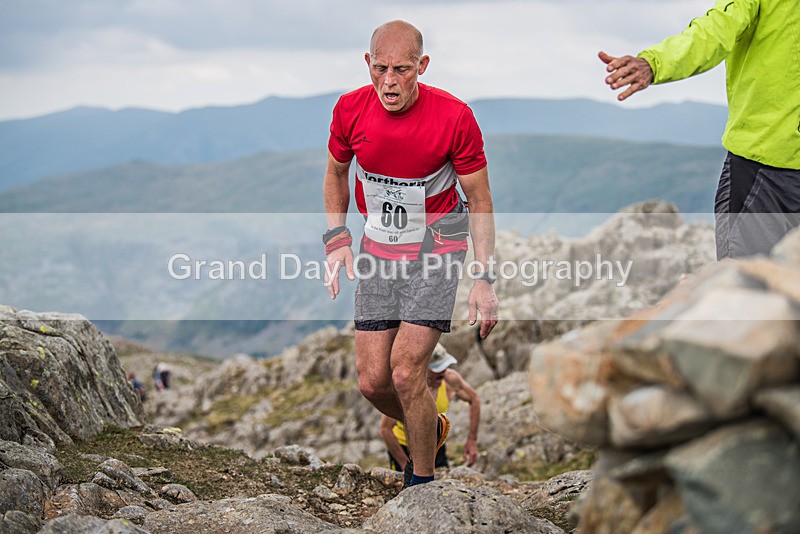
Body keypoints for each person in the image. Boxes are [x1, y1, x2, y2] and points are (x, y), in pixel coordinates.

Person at [323, 20, 499, 488]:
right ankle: (428, 425)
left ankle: (421, 482)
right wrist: (337, 238)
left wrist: (483, 278)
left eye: (401, 70)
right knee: (372, 382)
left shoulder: (454, 116)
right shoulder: (349, 110)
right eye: (380, 69)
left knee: (405, 373)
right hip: (378, 248)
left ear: (422, 66)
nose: (389, 81)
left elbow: (480, 200)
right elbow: (336, 174)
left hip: (439, 246)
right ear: (367, 63)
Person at [599, 0, 800, 259]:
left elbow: (715, 28)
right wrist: (655, 63)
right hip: (760, 173)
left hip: (761, 172)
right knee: (743, 279)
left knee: (743, 280)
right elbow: (715, 29)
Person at [380, 343, 480, 472]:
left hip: (436, 447)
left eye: (445, 366)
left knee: (441, 482)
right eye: (437, 369)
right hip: (405, 448)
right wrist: (404, 464)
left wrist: (472, 440)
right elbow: (386, 429)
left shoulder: (450, 380)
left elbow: (474, 400)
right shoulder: (406, 388)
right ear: (422, 369)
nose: (443, 372)